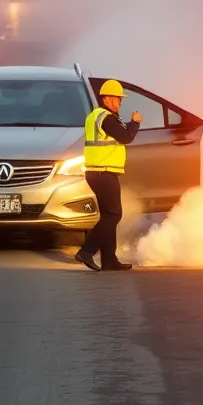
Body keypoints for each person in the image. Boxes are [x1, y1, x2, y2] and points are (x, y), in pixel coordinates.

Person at [75, 79, 141, 272]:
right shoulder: (106, 117)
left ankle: (109, 260)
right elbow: (126, 137)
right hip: (103, 173)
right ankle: (86, 251)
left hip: (97, 172)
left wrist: (128, 124)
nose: (120, 102)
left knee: (108, 215)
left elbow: (119, 133)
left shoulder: (96, 116)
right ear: (108, 98)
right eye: (118, 99)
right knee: (114, 214)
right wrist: (135, 123)